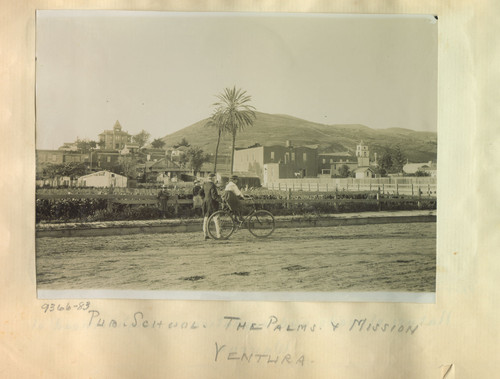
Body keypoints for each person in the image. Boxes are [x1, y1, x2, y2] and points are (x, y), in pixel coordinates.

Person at [199, 173, 220, 240]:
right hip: (212, 204)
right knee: (216, 219)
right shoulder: (212, 185)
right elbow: (214, 196)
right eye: (215, 178)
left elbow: (200, 192)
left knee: (206, 218)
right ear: (213, 178)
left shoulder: (204, 184)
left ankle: (205, 234)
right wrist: (221, 200)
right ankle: (219, 235)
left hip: (205, 203)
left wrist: (204, 198)